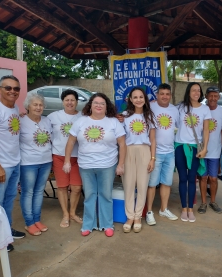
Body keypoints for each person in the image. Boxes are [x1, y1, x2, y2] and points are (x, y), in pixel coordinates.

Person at [64, 93, 126, 237]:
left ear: (106, 107)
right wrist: (67, 160)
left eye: (102, 103)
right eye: (96, 103)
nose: (99, 105)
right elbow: (71, 142)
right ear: (90, 105)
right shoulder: (81, 121)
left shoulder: (113, 122)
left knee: (105, 195)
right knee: (90, 195)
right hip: (86, 165)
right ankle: (88, 225)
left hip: (107, 165)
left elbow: (122, 144)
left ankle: (107, 224)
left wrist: (121, 164)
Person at [0, 75, 26, 252]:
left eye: (16, 88)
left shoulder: (14, 107)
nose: (12, 91)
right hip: (0, 166)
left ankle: (6, 231)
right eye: (8, 88)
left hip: (14, 163)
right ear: (0, 89)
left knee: (9, 200)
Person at [175, 82, 211, 222]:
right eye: (193, 90)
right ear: (188, 92)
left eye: (198, 90)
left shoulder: (205, 109)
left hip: (196, 147)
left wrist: (205, 148)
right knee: (183, 179)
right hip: (180, 146)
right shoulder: (180, 107)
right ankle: (184, 208)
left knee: (192, 179)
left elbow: (206, 130)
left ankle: (191, 209)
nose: (196, 93)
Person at [122, 87, 156, 233]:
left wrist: (152, 159)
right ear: (130, 99)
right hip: (128, 151)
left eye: (141, 97)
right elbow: (121, 140)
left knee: (142, 185)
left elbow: (153, 140)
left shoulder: (149, 116)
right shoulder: (124, 116)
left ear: (145, 98)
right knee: (128, 185)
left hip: (144, 151)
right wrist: (121, 159)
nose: (138, 100)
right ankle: (129, 216)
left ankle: (137, 217)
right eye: (135, 97)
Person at [47, 89, 83, 228]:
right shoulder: (53, 116)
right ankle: (65, 214)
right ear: (62, 102)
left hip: (77, 157)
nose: (70, 103)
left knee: (76, 187)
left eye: (72, 100)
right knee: (62, 187)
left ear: (77, 102)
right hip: (59, 156)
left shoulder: (83, 116)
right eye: (67, 100)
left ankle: (73, 213)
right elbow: (38, 122)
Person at [19, 94, 52, 236]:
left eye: (40, 105)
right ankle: (29, 222)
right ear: (28, 106)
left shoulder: (47, 121)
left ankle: (37, 219)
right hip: (28, 163)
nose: (38, 107)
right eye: (35, 104)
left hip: (46, 161)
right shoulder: (20, 121)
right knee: (28, 192)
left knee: (39, 191)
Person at [146, 83, 179, 225]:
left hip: (170, 153)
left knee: (166, 183)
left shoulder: (174, 110)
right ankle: (149, 212)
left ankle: (163, 209)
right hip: (155, 153)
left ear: (170, 95)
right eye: (162, 94)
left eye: (167, 94)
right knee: (152, 184)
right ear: (157, 95)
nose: (164, 96)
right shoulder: (150, 107)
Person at [197, 86, 222, 214]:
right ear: (206, 96)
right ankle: (203, 202)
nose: (213, 98)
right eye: (211, 95)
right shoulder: (201, 109)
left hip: (215, 151)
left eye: (215, 96)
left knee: (214, 178)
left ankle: (213, 201)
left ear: (219, 97)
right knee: (203, 178)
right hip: (202, 151)